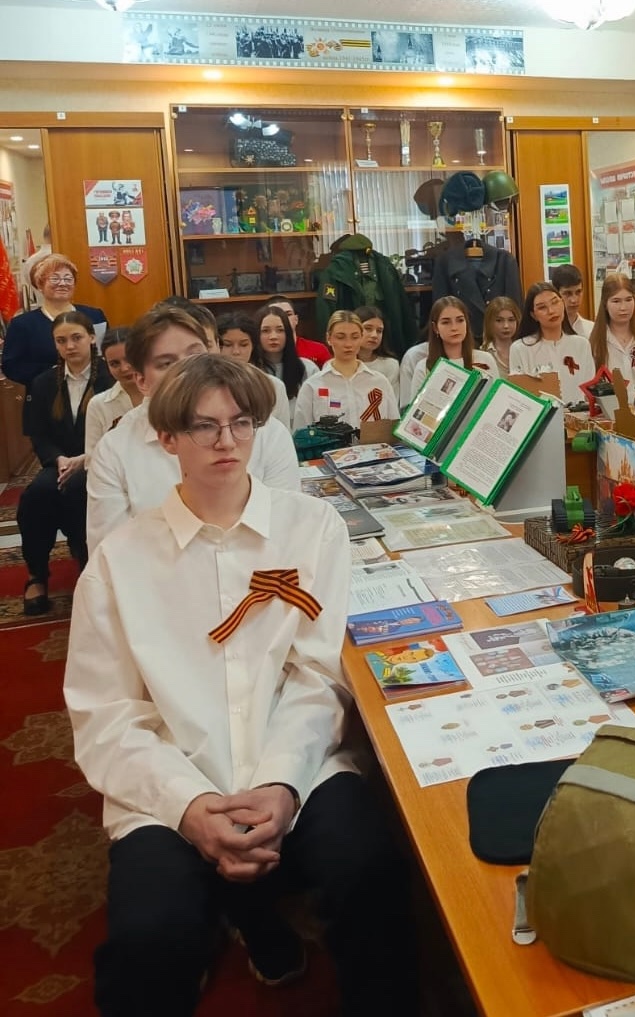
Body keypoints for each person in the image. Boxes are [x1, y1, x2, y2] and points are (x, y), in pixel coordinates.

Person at [65, 354, 407, 1016]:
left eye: (241, 423)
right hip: (174, 779)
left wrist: (281, 782)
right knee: (147, 937)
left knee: (372, 874)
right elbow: (106, 715)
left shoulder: (312, 528)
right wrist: (190, 804)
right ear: (167, 439)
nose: (227, 441)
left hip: (299, 763)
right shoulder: (119, 560)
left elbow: (317, 676)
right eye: (204, 426)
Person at [87, 305, 299, 554]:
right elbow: (110, 553)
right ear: (141, 380)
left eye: (195, 355)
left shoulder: (265, 431)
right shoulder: (115, 450)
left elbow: (286, 529)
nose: (187, 372)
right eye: (167, 363)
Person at [19, 312, 113, 614]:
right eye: (61, 341)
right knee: (36, 496)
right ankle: (37, 574)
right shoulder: (44, 382)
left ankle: (87, 563)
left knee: (77, 490)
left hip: (100, 460)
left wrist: (84, 459)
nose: (70, 346)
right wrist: (58, 459)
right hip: (59, 461)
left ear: (91, 338)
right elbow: (38, 433)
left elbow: (117, 427)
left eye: (76, 338)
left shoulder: (110, 377)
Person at [2, 254, 107, 432]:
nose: (62, 283)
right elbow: (12, 366)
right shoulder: (23, 324)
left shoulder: (94, 316)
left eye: (68, 278)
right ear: (40, 285)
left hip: (93, 399)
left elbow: (104, 353)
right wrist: (53, 374)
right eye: (55, 278)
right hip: (46, 403)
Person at [293, 311, 399, 430]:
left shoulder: (380, 382)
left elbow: (393, 428)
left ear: (361, 337)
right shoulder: (312, 386)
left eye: (355, 337)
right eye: (341, 337)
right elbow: (301, 433)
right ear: (329, 338)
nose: (348, 344)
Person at [509, 282, 595, 401]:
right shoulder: (520, 348)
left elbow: (590, 391)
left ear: (562, 303)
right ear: (533, 315)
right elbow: (519, 396)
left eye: (555, 302)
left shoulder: (581, 345)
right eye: (542, 307)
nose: (551, 311)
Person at [411, 296, 498, 395]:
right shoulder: (423, 368)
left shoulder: (485, 359)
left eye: (460, 320)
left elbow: (497, 398)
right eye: (446, 322)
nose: (454, 327)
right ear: (435, 328)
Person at [216, 312, 290, 428]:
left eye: (244, 345)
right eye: (228, 345)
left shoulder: (273, 386)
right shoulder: (207, 386)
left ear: (253, 346)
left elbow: (283, 432)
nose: (236, 352)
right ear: (216, 345)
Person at [85, 328, 143, 463]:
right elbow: (92, 459)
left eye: (129, 359)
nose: (124, 368)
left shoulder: (164, 397)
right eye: (114, 363)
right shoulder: (98, 404)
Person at [257, 303, 317, 424]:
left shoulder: (308, 369)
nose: (273, 336)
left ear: (288, 334)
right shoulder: (250, 372)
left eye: (280, 330)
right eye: (265, 331)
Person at [264, 295, 331, 367]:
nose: (284, 318)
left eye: (288, 314)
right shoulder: (260, 353)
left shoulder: (318, 350)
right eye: (277, 314)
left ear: (296, 319)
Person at [354, 304, 402, 399]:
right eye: (368, 328)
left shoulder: (390, 365)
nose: (374, 335)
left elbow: (392, 402)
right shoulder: (341, 364)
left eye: (379, 331)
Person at [481, 295, 521, 376]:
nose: (506, 326)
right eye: (499, 320)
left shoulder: (526, 349)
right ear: (490, 322)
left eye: (511, 320)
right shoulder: (483, 354)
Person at [550, 263, 593, 336]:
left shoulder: (592, 329)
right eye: (567, 293)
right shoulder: (546, 330)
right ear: (555, 293)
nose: (574, 300)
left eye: (578, 292)